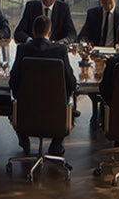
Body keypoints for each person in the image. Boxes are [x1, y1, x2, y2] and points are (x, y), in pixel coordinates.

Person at [9, 13, 77, 157]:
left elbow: (13, 81)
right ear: (50, 32)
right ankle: (56, 145)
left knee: (13, 104)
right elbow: (71, 82)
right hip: (55, 111)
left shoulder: (23, 50)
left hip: (26, 110)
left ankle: (24, 138)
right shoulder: (60, 51)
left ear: (33, 31)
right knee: (70, 107)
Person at [14, 0, 78, 45]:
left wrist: (61, 43)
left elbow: (72, 34)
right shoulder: (31, 7)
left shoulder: (63, 9)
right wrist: (31, 41)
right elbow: (19, 32)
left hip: (56, 50)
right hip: (35, 49)